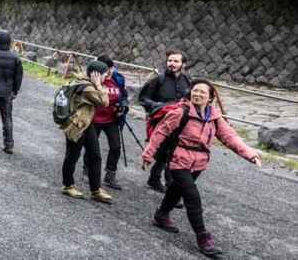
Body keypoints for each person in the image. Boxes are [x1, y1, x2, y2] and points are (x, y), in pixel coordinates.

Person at [142, 79, 261, 257]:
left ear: (210, 98)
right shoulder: (180, 112)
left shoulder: (214, 116)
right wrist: (148, 154)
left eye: (202, 93)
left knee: (176, 190)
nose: (197, 94)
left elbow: (229, 136)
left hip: (199, 162)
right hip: (178, 159)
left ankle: (161, 215)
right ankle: (203, 237)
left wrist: (250, 154)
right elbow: (161, 132)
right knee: (192, 197)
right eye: (195, 91)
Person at [61, 60, 113, 204]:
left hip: (86, 123)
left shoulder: (83, 82)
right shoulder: (87, 88)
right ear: (96, 75)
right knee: (72, 156)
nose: (105, 78)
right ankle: (68, 185)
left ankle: (96, 189)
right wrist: (98, 85)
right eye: (104, 75)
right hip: (77, 125)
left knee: (95, 156)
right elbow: (104, 102)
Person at [138, 50, 191, 192]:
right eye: (170, 61)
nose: (172, 64)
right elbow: (143, 99)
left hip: (180, 122)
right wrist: (160, 107)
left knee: (172, 152)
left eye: (175, 61)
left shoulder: (187, 81)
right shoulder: (158, 79)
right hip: (160, 121)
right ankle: (168, 184)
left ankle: (157, 179)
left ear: (183, 64)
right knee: (165, 152)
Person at [85, 55, 129, 190]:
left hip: (112, 119)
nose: (109, 71)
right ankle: (87, 171)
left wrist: (123, 106)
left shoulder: (118, 79)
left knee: (116, 147)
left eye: (111, 68)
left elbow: (124, 96)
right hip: (94, 119)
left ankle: (110, 176)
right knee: (92, 147)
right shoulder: (91, 80)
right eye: (106, 68)